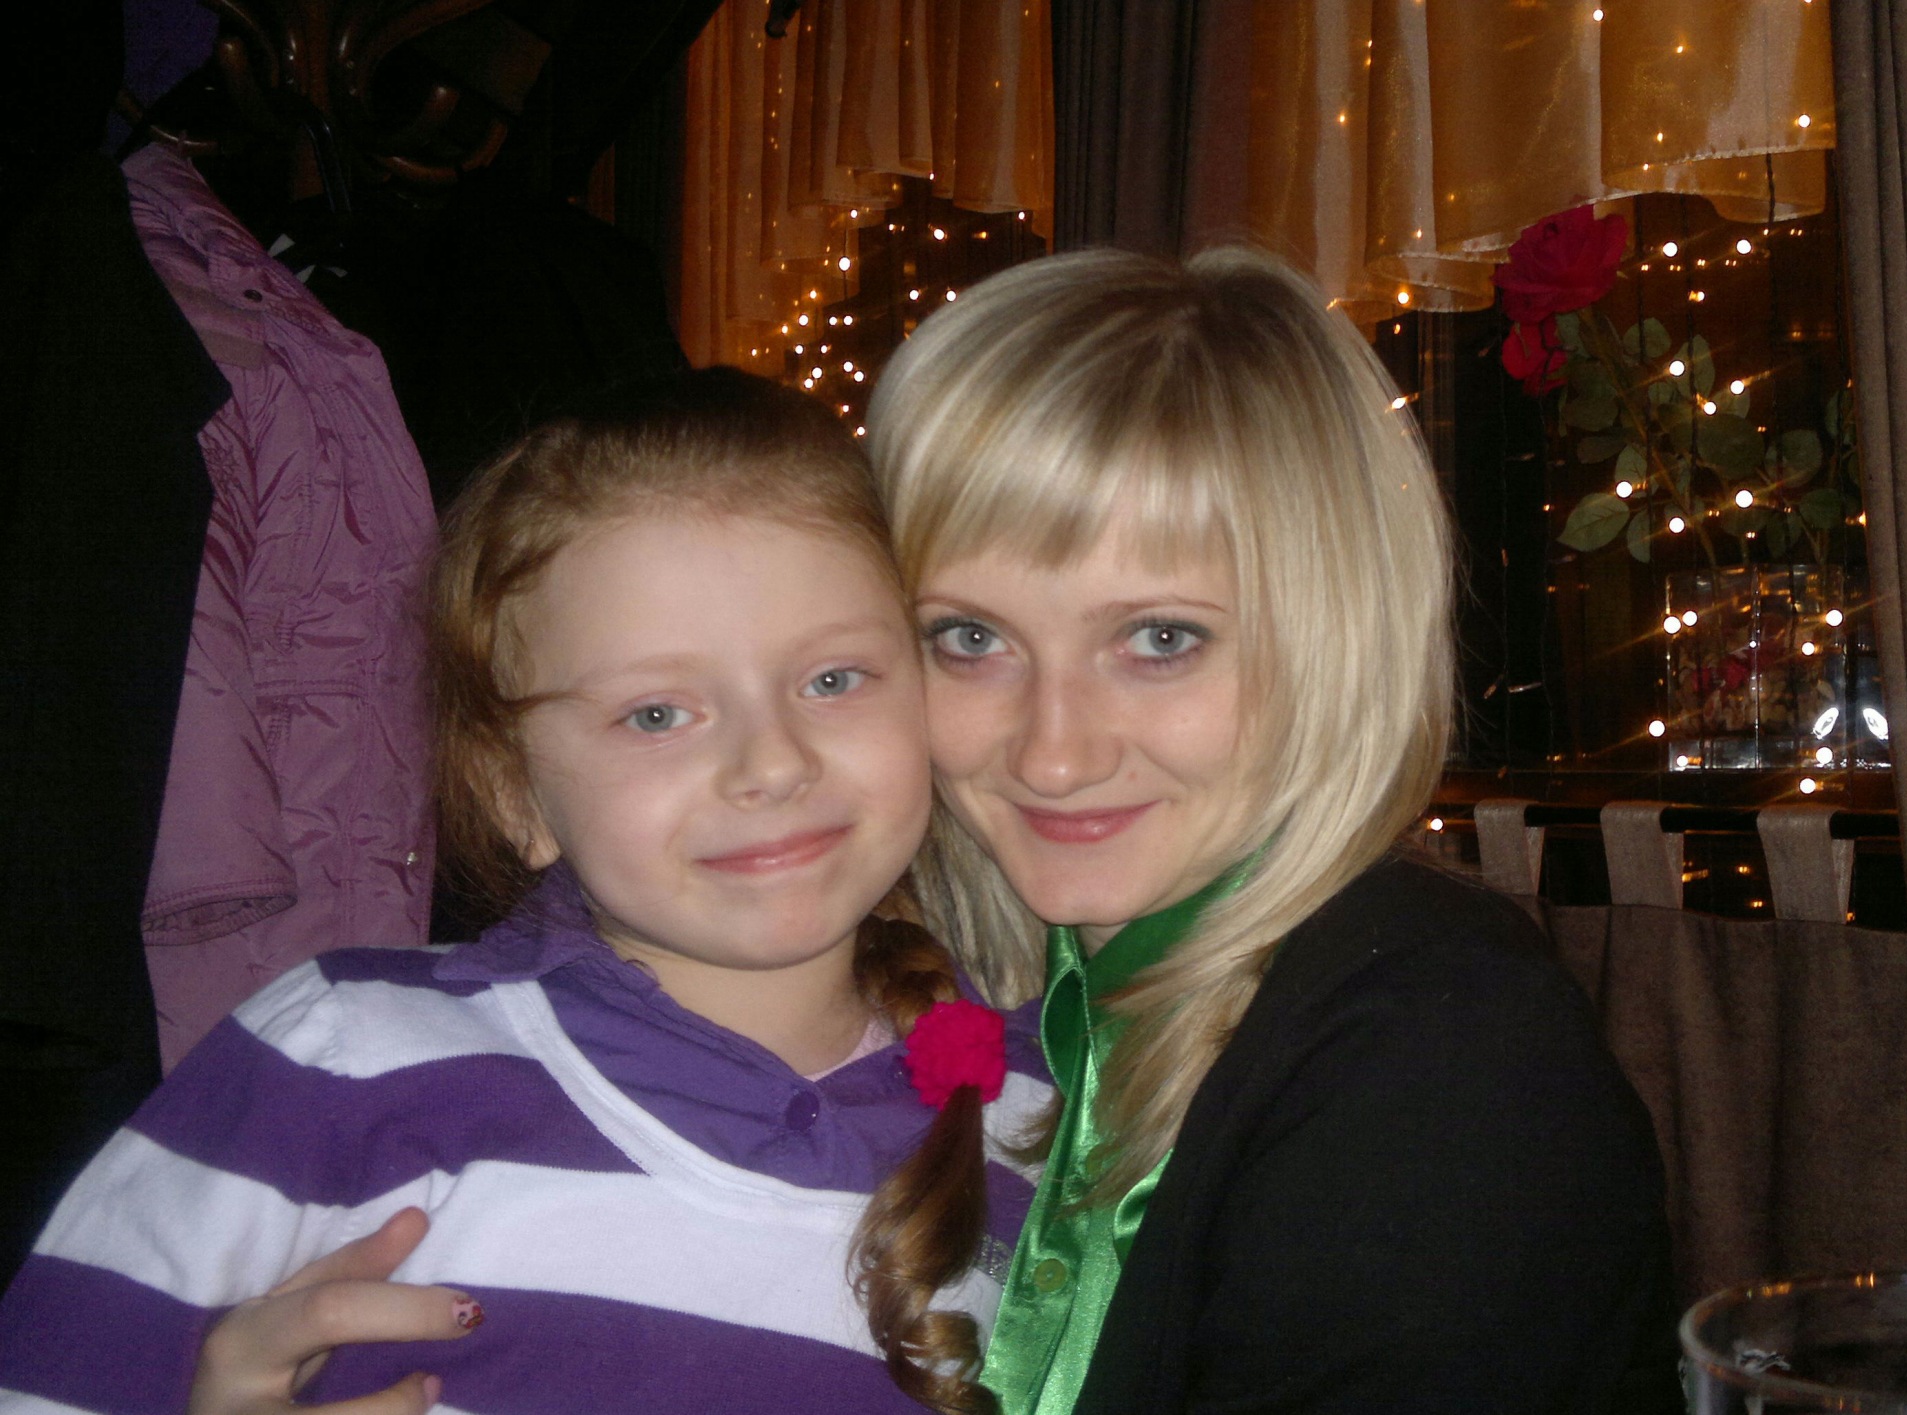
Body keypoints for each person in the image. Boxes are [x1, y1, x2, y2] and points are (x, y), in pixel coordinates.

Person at [169, 247, 1680, 1414]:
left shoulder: (1435, 1057)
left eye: (1160, 636)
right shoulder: (1000, 1017)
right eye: (968, 637)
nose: (1054, 745)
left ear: (1333, 637)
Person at [0, 370, 1050, 1415]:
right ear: (516, 793)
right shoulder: (341, 1059)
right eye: (655, 714)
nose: (772, 762)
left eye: (832, 679)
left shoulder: (1048, 1111)